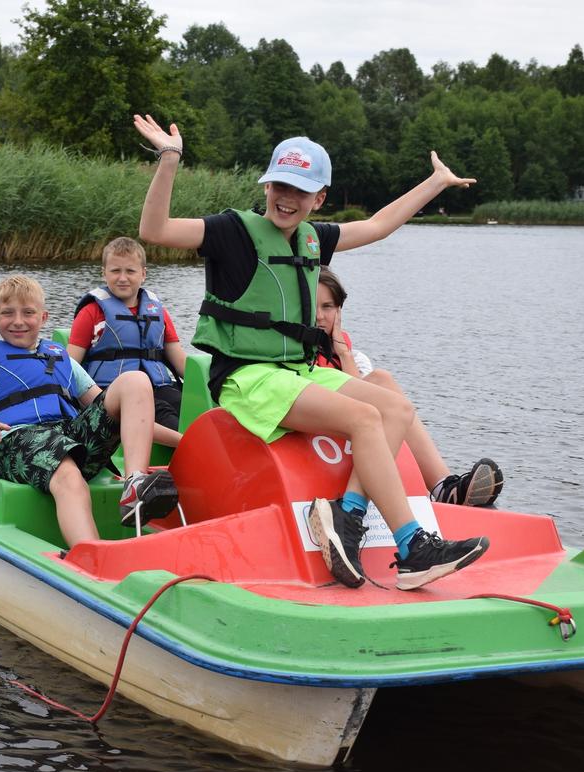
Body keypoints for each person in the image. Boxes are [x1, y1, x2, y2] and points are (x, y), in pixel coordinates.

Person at [134, 113, 489, 591]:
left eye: (301, 191)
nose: (287, 197)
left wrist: (436, 182)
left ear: (318, 198)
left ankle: (349, 515)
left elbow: (380, 225)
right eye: (280, 184)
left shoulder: (314, 238)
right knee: (364, 419)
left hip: (297, 374)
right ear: (266, 186)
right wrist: (170, 158)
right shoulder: (230, 232)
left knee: (395, 409)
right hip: (248, 377)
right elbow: (154, 230)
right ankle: (412, 547)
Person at [0, 275, 179, 547]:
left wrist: (183, 441)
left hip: (69, 439)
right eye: (7, 313)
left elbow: (127, 415)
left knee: (134, 381)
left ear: (43, 317)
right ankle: (92, 557)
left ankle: (134, 484)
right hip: (15, 441)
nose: (18, 321)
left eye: (28, 313)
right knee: (66, 471)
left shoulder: (60, 357)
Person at [314, 266, 504, 507]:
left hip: (354, 418)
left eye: (328, 307)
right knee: (381, 381)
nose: (320, 316)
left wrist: (343, 352)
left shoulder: (350, 354)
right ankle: (443, 487)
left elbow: (357, 393)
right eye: (314, 306)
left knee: (382, 380)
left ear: (339, 311)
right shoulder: (292, 350)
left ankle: (444, 485)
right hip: (316, 416)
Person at [67, 236, 187, 443]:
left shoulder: (157, 311)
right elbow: (70, 366)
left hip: (159, 387)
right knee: (165, 414)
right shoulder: (91, 313)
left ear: (143, 274)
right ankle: (191, 448)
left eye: (130, 271)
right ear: (104, 273)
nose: (122, 278)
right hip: (113, 392)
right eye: (115, 271)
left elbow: (180, 362)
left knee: (189, 405)